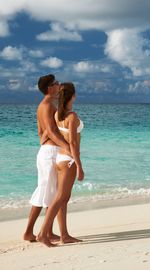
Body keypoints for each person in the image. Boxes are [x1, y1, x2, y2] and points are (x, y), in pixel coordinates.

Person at [23, 74, 71, 243]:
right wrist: (67, 146)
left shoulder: (50, 105)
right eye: (56, 83)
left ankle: (44, 232)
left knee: (49, 192)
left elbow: (43, 132)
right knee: (46, 191)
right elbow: (50, 131)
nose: (59, 85)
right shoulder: (46, 105)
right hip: (49, 152)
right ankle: (32, 232)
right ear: (50, 88)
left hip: (50, 151)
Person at [36, 82, 85, 247]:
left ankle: (64, 235)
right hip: (68, 160)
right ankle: (43, 233)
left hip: (58, 159)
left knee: (63, 198)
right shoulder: (72, 116)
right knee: (60, 198)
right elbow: (73, 143)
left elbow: (48, 133)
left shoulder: (58, 115)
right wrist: (79, 165)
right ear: (73, 96)